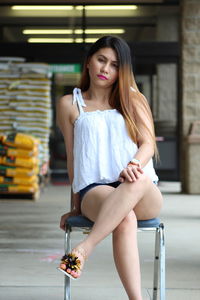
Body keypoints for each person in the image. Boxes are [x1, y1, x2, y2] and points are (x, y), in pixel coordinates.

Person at [56, 35, 163, 300]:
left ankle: (83, 250)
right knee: (123, 217)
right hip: (96, 189)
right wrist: (74, 206)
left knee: (136, 180)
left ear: (122, 71)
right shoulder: (69, 104)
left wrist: (134, 164)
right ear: (89, 62)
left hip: (140, 188)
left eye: (114, 65)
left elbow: (148, 143)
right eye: (101, 60)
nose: (105, 69)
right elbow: (73, 157)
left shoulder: (134, 99)